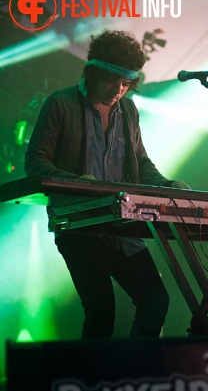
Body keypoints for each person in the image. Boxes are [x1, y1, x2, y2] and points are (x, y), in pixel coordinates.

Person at [24, 29, 190, 339]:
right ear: (94, 72)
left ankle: (132, 377)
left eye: (126, 84)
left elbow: (140, 164)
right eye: (113, 80)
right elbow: (35, 162)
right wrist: (77, 183)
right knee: (101, 312)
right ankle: (90, 385)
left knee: (155, 300)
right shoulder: (60, 104)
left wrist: (167, 185)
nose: (119, 89)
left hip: (119, 224)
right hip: (78, 225)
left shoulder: (128, 110)